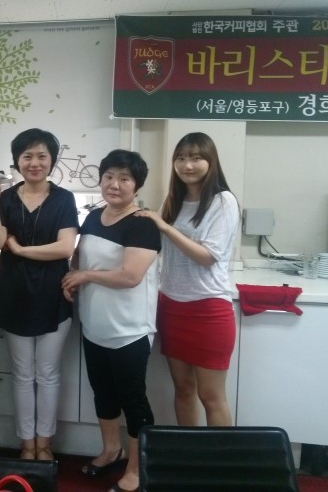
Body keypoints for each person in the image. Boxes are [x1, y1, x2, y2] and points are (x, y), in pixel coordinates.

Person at [62, 149, 160, 492]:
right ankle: (111, 450)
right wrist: (73, 274)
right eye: (108, 177)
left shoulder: (143, 224)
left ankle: (136, 468)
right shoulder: (92, 217)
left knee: (133, 400)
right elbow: (80, 256)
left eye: (124, 178)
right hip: (94, 325)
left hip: (129, 330)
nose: (114, 185)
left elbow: (130, 275)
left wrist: (85, 275)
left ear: (137, 185)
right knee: (103, 393)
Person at [0, 128, 77, 461]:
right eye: (27, 156)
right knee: (22, 374)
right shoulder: (6, 198)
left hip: (53, 294)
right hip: (13, 293)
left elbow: (65, 248)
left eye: (41, 156)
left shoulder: (63, 198)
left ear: (52, 160)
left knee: (48, 373)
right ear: (17, 161)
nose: (34, 163)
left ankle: (45, 444)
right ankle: (27, 444)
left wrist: (21, 250)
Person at [136, 132, 239, 427]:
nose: (187, 165)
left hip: (209, 309)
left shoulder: (223, 201)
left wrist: (165, 227)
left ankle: (221, 457)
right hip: (171, 305)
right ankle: (189, 451)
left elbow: (208, 256)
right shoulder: (174, 200)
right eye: (180, 158)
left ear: (210, 161)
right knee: (182, 389)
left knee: (211, 396)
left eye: (196, 158)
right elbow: (154, 243)